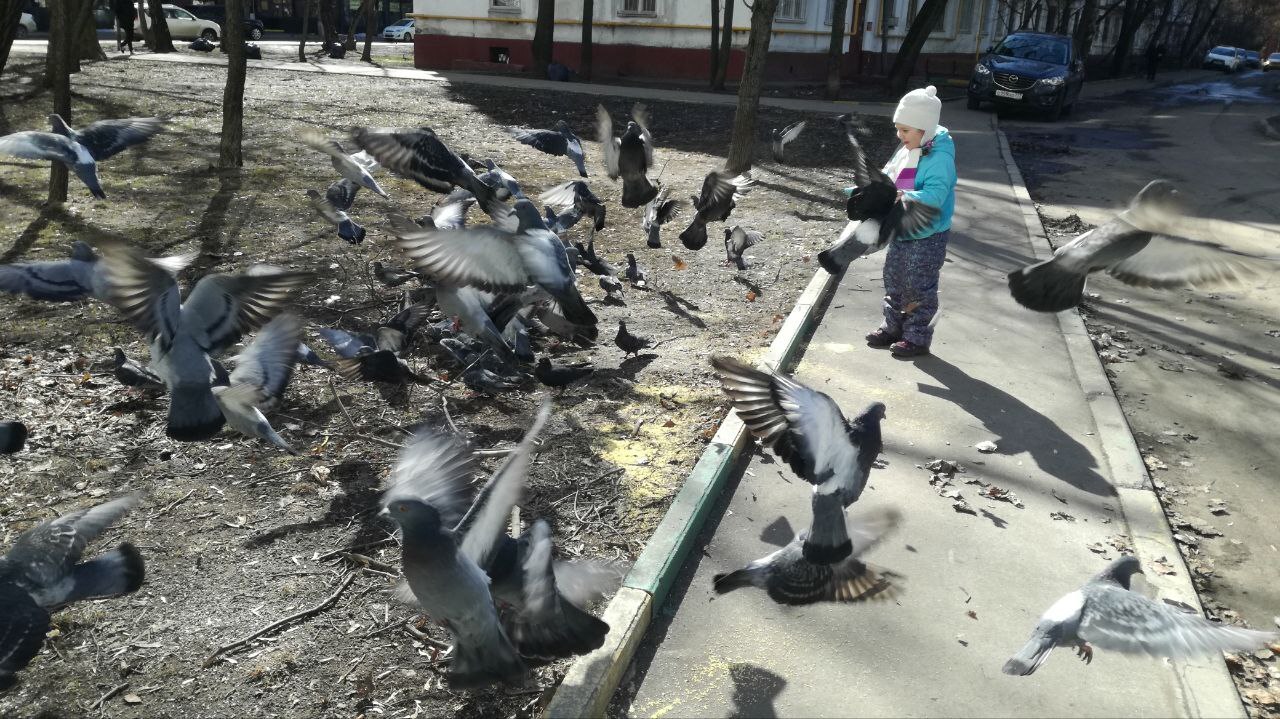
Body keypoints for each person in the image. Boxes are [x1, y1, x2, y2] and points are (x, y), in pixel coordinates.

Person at [864, 85, 957, 358]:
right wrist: (869, 190)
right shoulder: (908, 148)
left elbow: (936, 196)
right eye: (898, 128)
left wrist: (904, 195)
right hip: (902, 227)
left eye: (905, 130)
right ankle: (892, 326)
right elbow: (888, 175)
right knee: (894, 278)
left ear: (924, 129)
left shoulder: (940, 159)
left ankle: (917, 336)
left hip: (929, 232)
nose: (899, 135)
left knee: (919, 284)